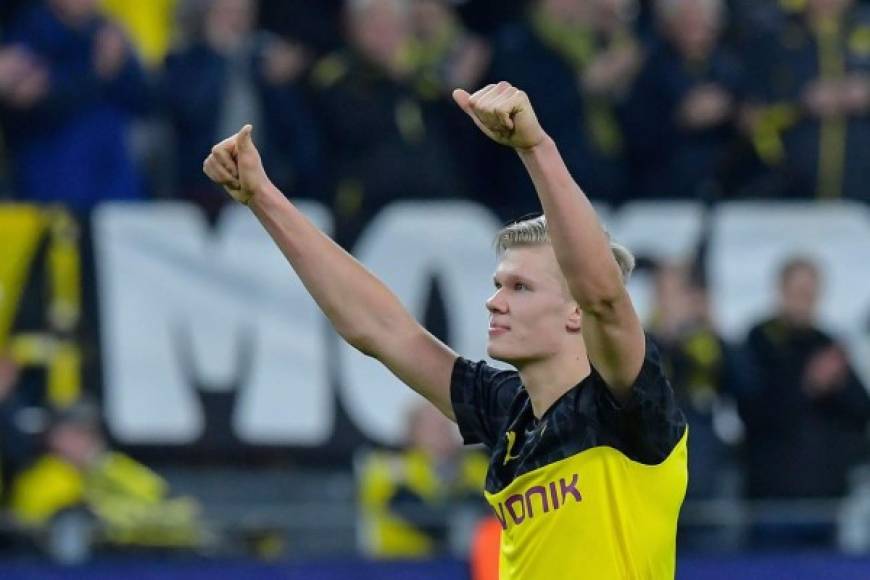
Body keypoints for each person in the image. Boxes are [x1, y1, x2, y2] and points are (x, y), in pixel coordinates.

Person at [203, 81, 687, 578]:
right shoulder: (509, 411)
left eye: (519, 288)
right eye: (499, 284)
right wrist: (261, 196)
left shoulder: (629, 407)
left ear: (574, 313)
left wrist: (536, 148)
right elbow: (384, 331)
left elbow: (604, 297)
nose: (493, 301)